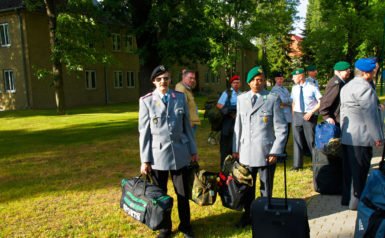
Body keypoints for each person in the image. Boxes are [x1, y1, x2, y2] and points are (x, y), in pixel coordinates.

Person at [139, 65, 198, 238]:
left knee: (182, 193)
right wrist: (145, 160)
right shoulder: (146, 101)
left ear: (170, 80)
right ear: (154, 82)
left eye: (165, 78)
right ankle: (165, 228)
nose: (163, 82)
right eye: (159, 79)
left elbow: (187, 126)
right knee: (161, 195)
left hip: (180, 154)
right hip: (158, 156)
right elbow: (144, 132)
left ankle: (186, 226)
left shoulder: (179, 97)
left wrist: (193, 150)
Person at [232, 66, 287, 227]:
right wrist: (236, 148)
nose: (258, 83)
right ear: (249, 82)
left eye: (261, 80)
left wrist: (275, 151)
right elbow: (238, 125)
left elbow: (281, 128)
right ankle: (247, 215)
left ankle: (264, 216)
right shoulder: (242, 99)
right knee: (247, 187)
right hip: (246, 152)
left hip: (265, 152)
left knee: (266, 188)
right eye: (255, 80)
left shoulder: (272, 98)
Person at [340, 58, 384, 210]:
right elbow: (369, 115)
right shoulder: (365, 88)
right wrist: (378, 137)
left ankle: (347, 199)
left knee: (349, 172)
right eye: (373, 72)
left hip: (348, 136)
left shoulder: (348, 86)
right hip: (361, 137)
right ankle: (357, 205)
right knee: (360, 172)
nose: (374, 74)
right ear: (366, 73)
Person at [291, 68, 322, 171]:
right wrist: (293, 115)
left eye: (294, 76)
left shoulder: (312, 87)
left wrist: (311, 112)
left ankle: (315, 164)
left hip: (309, 115)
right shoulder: (294, 88)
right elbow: (294, 102)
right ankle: (297, 165)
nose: (292, 78)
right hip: (297, 115)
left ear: (300, 76)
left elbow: (321, 101)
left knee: (311, 140)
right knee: (297, 140)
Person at [216, 75, 242, 169]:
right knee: (225, 146)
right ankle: (223, 167)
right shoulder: (227, 93)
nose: (236, 84)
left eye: (238, 83)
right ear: (231, 84)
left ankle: (235, 167)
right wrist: (228, 112)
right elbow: (219, 105)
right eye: (234, 83)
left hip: (238, 121)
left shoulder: (241, 93)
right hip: (227, 122)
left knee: (236, 143)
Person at [271, 72, 292, 153]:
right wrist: (289, 101)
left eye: (281, 78)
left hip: (288, 115)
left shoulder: (285, 89)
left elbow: (291, 99)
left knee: (287, 134)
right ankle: (279, 152)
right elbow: (282, 101)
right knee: (281, 135)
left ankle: (283, 151)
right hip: (281, 115)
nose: (280, 80)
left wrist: (288, 101)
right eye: (278, 78)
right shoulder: (274, 89)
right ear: (275, 79)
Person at [175, 69, 201, 135]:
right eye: (190, 78)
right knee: (189, 144)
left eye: (194, 78)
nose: (192, 80)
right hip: (188, 124)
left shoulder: (187, 88)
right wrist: (188, 122)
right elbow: (181, 107)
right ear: (183, 77)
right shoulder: (180, 88)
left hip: (191, 122)